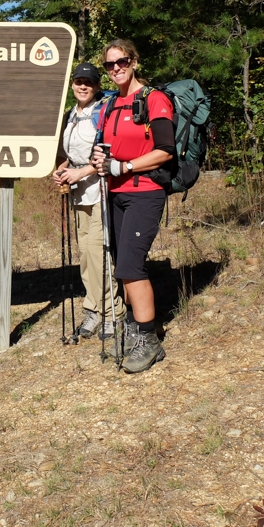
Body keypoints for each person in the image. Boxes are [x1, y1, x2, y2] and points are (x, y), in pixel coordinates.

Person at [91, 39, 175, 373]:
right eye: (109, 65)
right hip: (116, 194)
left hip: (144, 192)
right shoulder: (111, 104)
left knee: (129, 266)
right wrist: (99, 160)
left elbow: (165, 149)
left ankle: (149, 342)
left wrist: (123, 167)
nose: (116, 69)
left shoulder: (153, 99)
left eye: (121, 62)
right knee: (120, 265)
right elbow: (106, 148)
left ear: (134, 61)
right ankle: (138, 326)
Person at [53, 63, 125, 339]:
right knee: (85, 253)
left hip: (101, 190)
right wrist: (61, 171)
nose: (83, 86)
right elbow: (65, 153)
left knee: (98, 252)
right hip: (78, 192)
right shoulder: (71, 115)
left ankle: (112, 312)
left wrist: (80, 172)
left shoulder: (102, 112)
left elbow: (109, 154)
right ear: (72, 84)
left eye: (89, 82)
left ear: (96, 86)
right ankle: (93, 309)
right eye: (79, 81)